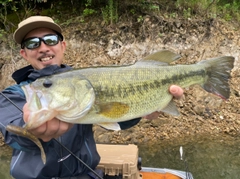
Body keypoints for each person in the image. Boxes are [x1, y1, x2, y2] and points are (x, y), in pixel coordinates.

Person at [0, 16, 184, 179]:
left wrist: (144, 110)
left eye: (50, 39)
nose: (43, 47)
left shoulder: (83, 83)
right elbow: (12, 131)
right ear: (24, 53)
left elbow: (114, 118)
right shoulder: (12, 95)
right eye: (33, 43)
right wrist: (29, 130)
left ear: (62, 46)